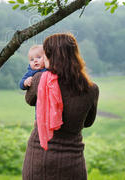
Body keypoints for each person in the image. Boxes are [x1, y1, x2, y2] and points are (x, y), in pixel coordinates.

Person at [22, 33, 99, 180]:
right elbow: (88, 123)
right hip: (72, 162)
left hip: (38, 158)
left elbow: (29, 99)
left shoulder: (40, 80)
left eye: (45, 55)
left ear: (51, 58)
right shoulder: (91, 89)